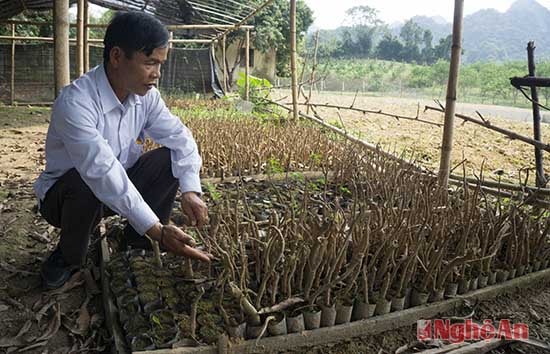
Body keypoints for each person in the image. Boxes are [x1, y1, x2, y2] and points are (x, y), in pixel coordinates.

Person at [34, 11, 212, 290]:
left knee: (168, 159)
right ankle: (67, 257)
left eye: (160, 64)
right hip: (68, 198)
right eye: (150, 63)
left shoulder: (147, 97)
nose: (157, 74)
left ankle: (137, 241)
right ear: (116, 57)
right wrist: (158, 230)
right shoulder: (76, 102)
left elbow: (181, 138)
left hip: (119, 184)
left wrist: (191, 189)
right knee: (85, 182)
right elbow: (101, 171)